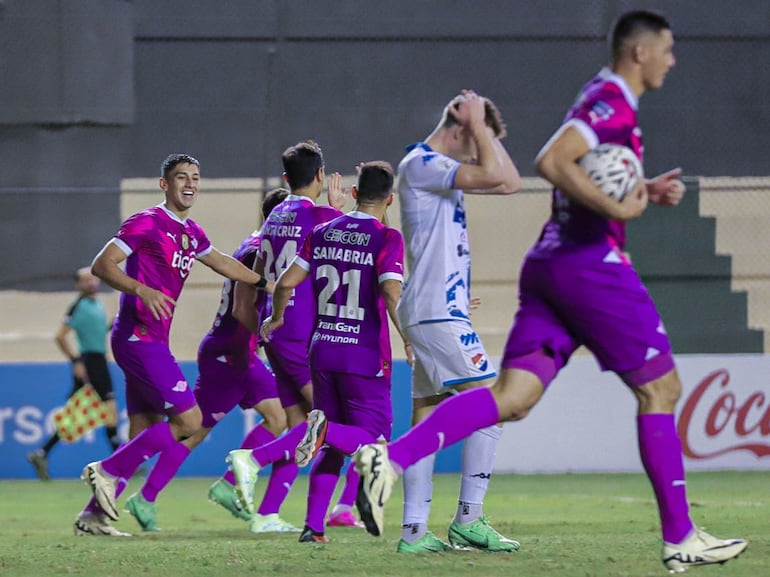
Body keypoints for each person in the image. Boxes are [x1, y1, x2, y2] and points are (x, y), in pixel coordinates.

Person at [354, 10, 749, 572]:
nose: (673, 59)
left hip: (551, 264)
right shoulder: (610, 98)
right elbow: (550, 161)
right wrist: (620, 207)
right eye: (668, 48)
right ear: (640, 52)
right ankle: (680, 534)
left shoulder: (601, 98)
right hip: (590, 266)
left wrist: (642, 188)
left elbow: (579, 168)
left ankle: (388, 461)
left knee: (511, 399)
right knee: (662, 389)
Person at [74, 153, 273, 537]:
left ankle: (93, 516)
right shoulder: (147, 222)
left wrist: (266, 284)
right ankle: (106, 471)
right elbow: (103, 265)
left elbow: (223, 263)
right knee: (190, 422)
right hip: (138, 339)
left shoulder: (192, 231)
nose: (190, 184)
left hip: (152, 340)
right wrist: (140, 288)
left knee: (143, 428)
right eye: (181, 177)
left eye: (195, 178)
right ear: (164, 184)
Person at [385, 90, 522, 553]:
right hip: (436, 311)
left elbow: (508, 182)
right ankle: (470, 518)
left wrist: (481, 126)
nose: (478, 148)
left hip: (436, 308)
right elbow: (499, 175)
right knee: (493, 404)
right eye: (474, 138)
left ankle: (413, 533)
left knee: (425, 416)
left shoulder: (431, 168)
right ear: (460, 129)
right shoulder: (422, 164)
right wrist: (479, 125)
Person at [120, 187, 298, 533]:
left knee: (264, 420)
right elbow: (241, 307)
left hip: (235, 352)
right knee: (201, 428)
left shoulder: (259, 248)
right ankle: (166, 493)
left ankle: (192, 489)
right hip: (230, 354)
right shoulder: (256, 252)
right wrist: (269, 336)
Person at [259, 161, 410, 543]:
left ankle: (313, 527)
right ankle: (323, 431)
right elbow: (392, 292)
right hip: (363, 356)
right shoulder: (387, 238)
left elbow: (284, 283)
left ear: (355, 194)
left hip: (322, 350)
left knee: (335, 446)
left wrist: (276, 319)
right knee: (375, 443)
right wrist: (409, 336)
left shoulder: (323, 231)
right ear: (390, 198)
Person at [226, 140, 356, 525]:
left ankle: (267, 513)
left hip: (276, 328)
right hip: (300, 329)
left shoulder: (273, 217)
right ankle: (253, 458)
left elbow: (265, 270)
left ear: (286, 178)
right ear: (319, 175)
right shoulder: (318, 216)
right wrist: (335, 211)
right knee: (337, 419)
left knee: (302, 424)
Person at [27, 267, 120, 481]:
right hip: (90, 362)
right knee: (110, 410)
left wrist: (110, 325)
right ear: (78, 285)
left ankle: (41, 453)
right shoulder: (77, 307)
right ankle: (121, 462)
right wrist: (76, 360)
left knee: (75, 414)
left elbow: (96, 333)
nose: (91, 283)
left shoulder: (98, 305)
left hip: (99, 360)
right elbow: (60, 336)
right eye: (86, 280)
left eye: (93, 279)